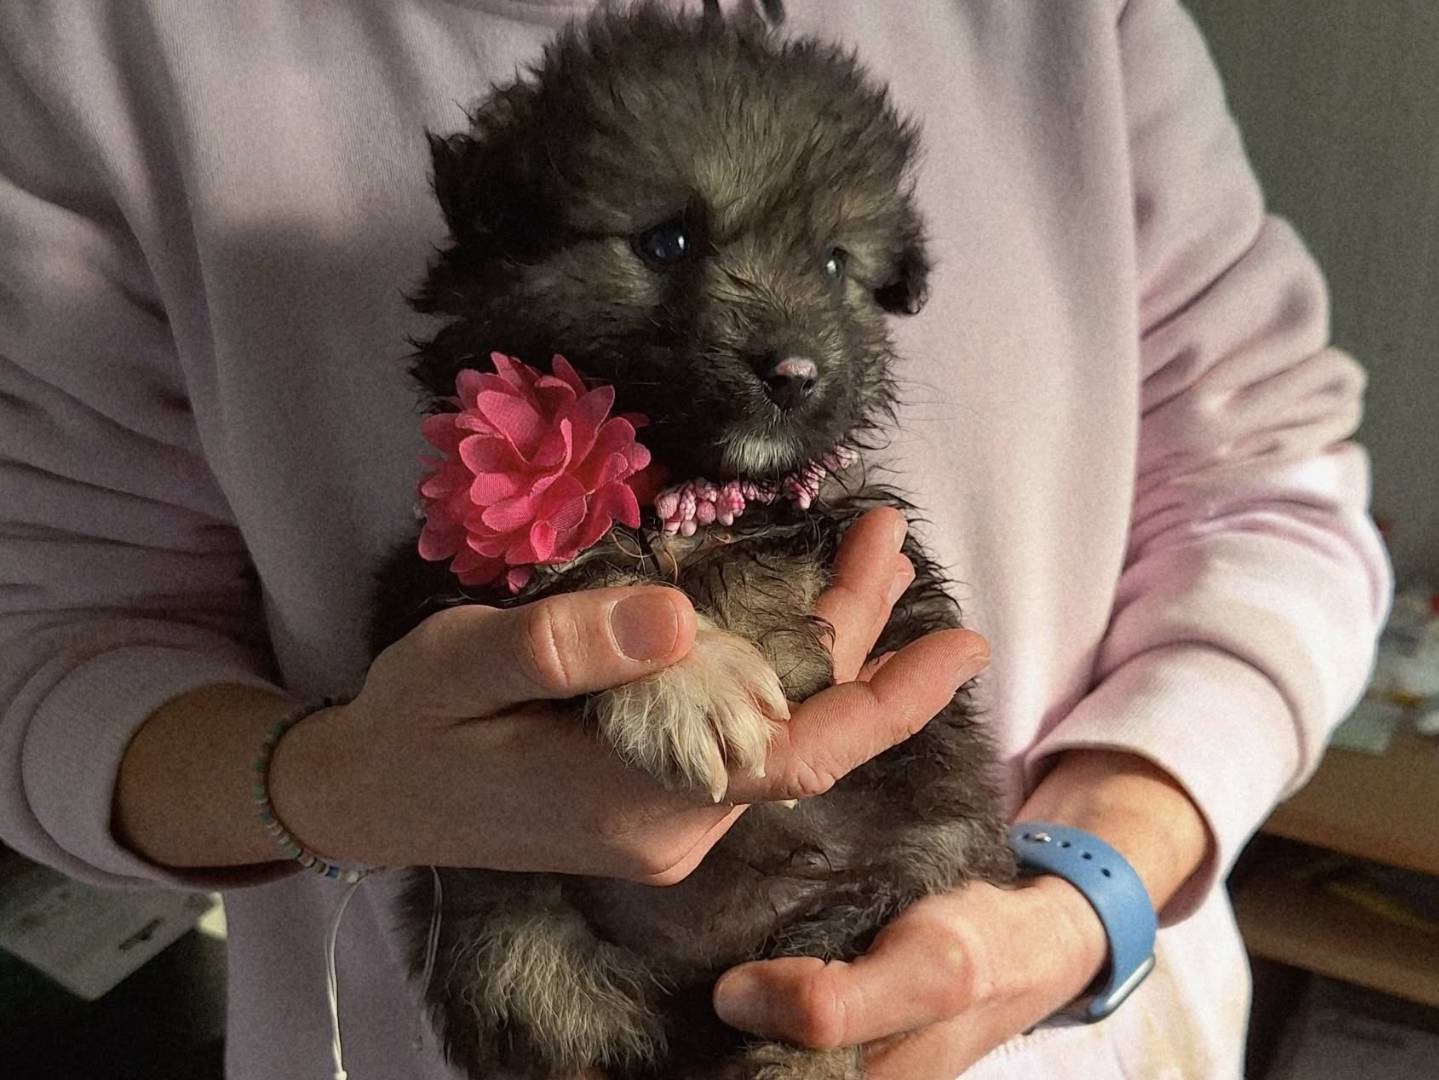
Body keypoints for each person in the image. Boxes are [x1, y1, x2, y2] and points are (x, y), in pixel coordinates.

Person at [0, 1, 1391, 1077]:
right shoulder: (94, 39)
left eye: (843, 268)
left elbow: (1269, 485)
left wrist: (1089, 887)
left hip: (1037, 1013)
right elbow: (46, 634)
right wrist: (334, 781)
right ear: (500, 225)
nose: (787, 343)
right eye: (668, 244)